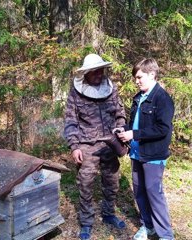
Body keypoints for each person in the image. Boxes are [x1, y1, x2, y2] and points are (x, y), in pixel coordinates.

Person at [64, 53, 127, 240]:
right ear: (86, 73)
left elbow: (120, 112)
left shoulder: (111, 88)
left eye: (101, 70)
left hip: (110, 143)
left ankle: (108, 214)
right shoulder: (76, 93)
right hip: (86, 145)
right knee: (85, 184)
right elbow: (70, 121)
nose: (99, 74)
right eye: (95, 71)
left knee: (112, 182)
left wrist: (121, 128)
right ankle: (86, 222)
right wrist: (74, 146)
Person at [117, 58, 175, 240]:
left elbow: (162, 129)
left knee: (154, 195)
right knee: (140, 192)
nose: (137, 81)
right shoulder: (138, 98)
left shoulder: (162, 98)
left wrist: (134, 134)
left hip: (153, 155)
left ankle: (166, 235)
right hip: (137, 153)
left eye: (140, 77)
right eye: (135, 78)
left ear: (152, 74)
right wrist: (125, 130)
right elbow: (137, 124)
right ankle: (147, 226)